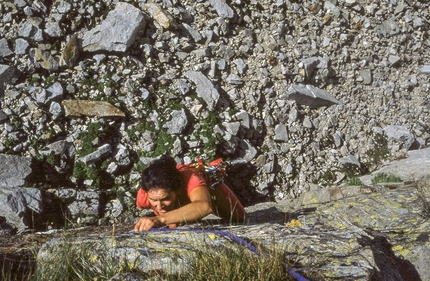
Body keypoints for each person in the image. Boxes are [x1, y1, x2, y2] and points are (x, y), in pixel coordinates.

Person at [134, 155, 246, 232]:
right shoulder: (143, 196)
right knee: (174, 225)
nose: (159, 206)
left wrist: (159, 219)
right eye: (153, 200)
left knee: (238, 217)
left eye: (165, 198)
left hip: (207, 189)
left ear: (177, 190)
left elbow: (204, 206)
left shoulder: (191, 179)